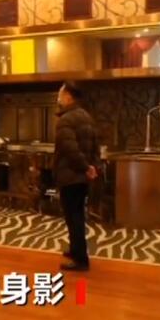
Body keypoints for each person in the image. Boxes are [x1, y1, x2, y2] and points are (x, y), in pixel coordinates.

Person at [54, 81, 99, 272]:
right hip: (82, 177)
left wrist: (85, 167)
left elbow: (70, 149)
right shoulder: (87, 117)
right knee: (77, 215)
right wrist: (92, 167)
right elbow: (95, 147)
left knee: (74, 218)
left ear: (68, 96)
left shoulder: (66, 120)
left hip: (70, 176)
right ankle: (75, 250)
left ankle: (80, 259)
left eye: (60, 94)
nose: (58, 97)